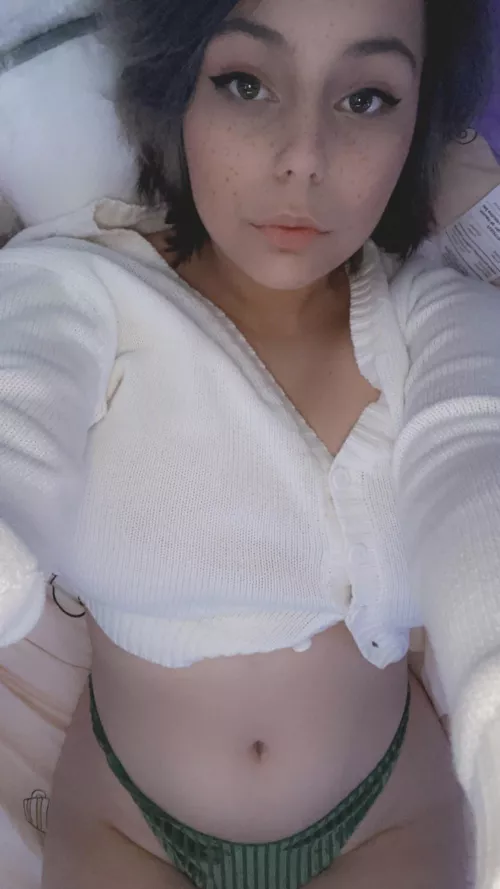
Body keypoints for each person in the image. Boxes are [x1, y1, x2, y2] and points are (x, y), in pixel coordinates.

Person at [0, 0, 498, 887]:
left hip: (387, 818)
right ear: (176, 87)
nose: (303, 156)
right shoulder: (73, 290)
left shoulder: (445, 327)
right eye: (244, 83)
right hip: (127, 825)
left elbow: (477, 478)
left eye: (367, 99)